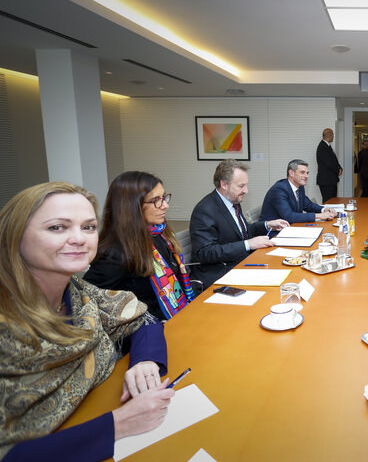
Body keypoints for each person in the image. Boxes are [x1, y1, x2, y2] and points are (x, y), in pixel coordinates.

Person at [0, 182, 173, 461]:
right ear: (15, 236)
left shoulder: (80, 293)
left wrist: (145, 361)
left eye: (89, 227)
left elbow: (144, 319)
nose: (79, 238)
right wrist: (118, 425)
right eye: (57, 227)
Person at [85, 171, 196, 321]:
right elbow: (84, 298)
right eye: (156, 200)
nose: (165, 205)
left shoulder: (159, 234)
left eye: (164, 197)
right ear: (131, 207)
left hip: (176, 317)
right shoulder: (116, 253)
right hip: (148, 330)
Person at [190, 159, 289, 288]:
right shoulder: (205, 210)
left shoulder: (233, 201)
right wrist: (248, 244)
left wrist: (268, 224)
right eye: (241, 186)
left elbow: (243, 231)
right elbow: (205, 253)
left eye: (246, 185)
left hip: (240, 262)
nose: (246, 190)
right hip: (221, 271)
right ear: (224, 184)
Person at [259, 159, 338, 223]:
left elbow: (308, 205)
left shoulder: (299, 187)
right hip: (273, 233)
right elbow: (289, 216)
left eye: (307, 173)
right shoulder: (279, 190)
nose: (306, 176)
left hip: (290, 227)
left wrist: (324, 209)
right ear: (291, 173)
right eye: (302, 172)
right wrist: (319, 216)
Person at [316, 128, 342, 203]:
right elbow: (329, 163)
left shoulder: (327, 146)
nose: (333, 136)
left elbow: (334, 160)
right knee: (328, 202)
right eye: (333, 135)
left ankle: (332, 215)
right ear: (329, 136)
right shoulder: (322, 147)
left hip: (330, 180)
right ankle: (327, 215)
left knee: (333, 201)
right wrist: (337, 171)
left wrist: (339, 167)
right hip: (326, 181)